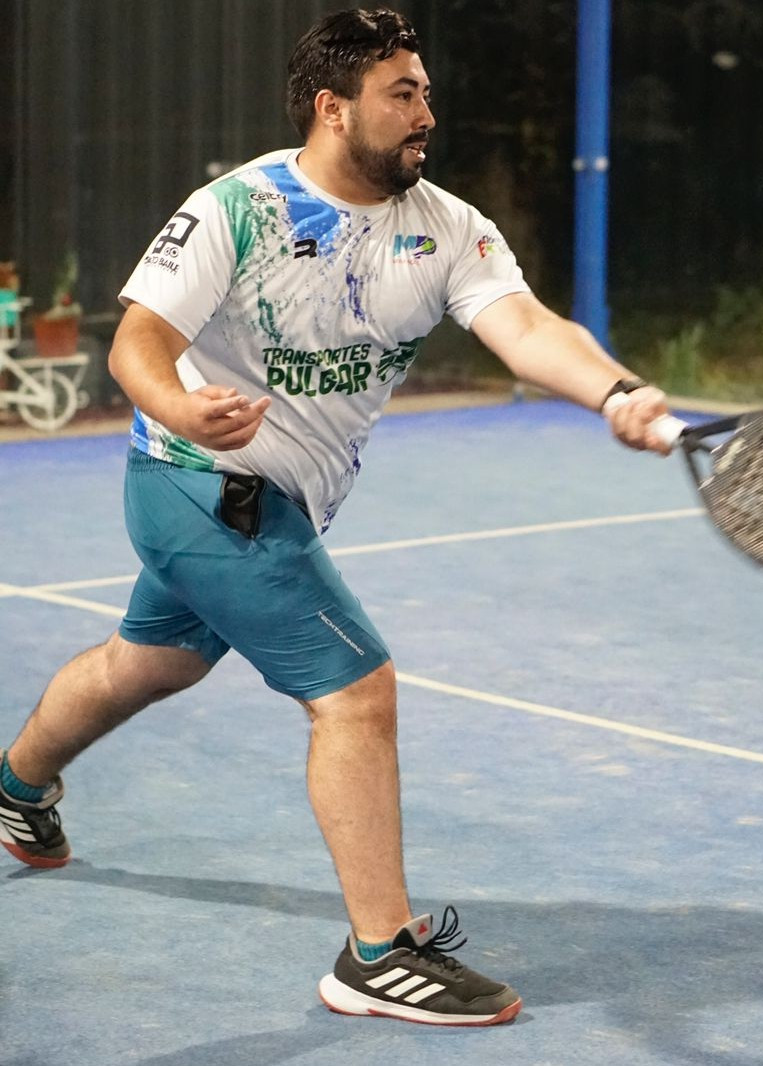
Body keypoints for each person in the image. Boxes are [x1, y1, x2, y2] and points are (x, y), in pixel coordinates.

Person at [0, 8, 670, 1027]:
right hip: (200, 481)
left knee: (150, 663)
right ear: (333, 107)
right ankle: (379, 953)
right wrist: (181, 406)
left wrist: (616, 391)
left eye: (426, 92)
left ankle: (17, 785)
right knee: (357, 691)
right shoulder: (240, 209)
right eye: (402, 94)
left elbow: (528, 327)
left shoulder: (444, 227)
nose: (426, 114)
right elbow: (138, 342)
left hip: (266, 500)